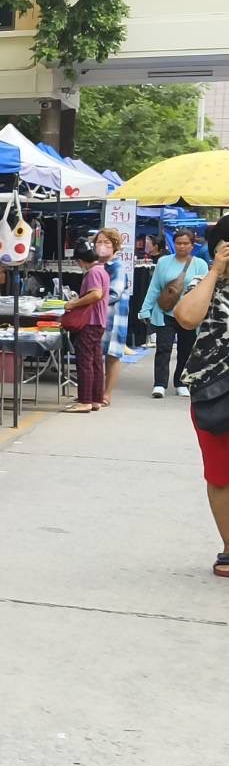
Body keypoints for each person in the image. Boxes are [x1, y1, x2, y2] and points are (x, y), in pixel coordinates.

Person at [173, 216, 229, 579]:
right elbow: (186, 318)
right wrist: (216, 270)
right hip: (215, 391)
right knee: (222, 475)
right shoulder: (204, 284)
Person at [139, 229, 208, 398]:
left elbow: (205, 291)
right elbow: (155, 287)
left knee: (186, 349)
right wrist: (145, 309)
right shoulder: (163, 262)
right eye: (178, 243)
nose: (182, 246)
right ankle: (160, 384)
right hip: (164, 311)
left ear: (192, 245)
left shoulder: (200, 264)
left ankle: (181, 382)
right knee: (163, 348)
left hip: (188, 313)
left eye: (186, 243)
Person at [63, 241, 111, 413]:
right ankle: (96, 398)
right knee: (96, 361)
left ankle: (85, 401)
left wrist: (74, 303)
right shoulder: (102, 270)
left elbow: (96, 294)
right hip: (98, 321)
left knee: (85, 362)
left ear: (81, 260)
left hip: (89, 322)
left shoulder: (93, 272)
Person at [97, 229, 130, 406]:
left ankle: (107, 394)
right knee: (98, 354)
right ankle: (97, 391)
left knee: (112, 355)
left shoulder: (116, 266)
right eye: (99, 242)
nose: (101, 246)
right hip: (100, 315)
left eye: (107, 243)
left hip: (114, 316)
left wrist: (92, 301)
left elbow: (114, 293)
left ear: (115, 247)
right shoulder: (96, 265)